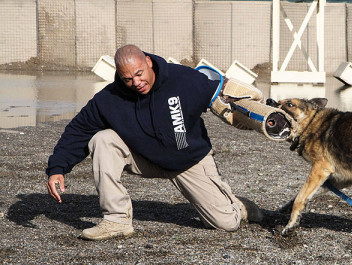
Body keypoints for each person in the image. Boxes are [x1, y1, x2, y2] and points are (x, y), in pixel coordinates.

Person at [46, 44, 263, 240]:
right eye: (128, 79)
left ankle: (238, 206)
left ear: (148, 62)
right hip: (146, 157)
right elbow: (79, 130)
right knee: (103, 139)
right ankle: (116, 220)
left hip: (189, 160)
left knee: (226, 224)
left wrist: (258, 109)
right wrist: (57, 168)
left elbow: (224, 95)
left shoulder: (183, 79)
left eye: (139, 74)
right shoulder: (108, 99)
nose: (136, 83)